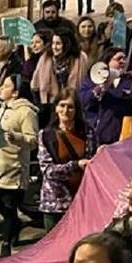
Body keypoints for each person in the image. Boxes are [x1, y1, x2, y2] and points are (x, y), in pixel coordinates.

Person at [0, 75, 38, 258]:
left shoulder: (26, 112)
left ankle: (6, 245)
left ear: (16, 92)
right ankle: (14, 226)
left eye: (5, 86)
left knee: (9, 206)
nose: (1, 89)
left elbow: (33, 141)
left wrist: (16, 137)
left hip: (14, 168)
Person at [38, 88, 95, 231]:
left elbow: (93, 160)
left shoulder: (87, 132)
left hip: (82, 201)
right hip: (55, 204)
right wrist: (75, 165)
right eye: (62, 105)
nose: (65, 110)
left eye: (70, 107)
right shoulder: (46, 135)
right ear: (56, 108)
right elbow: (48, 171)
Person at [83, 49, 132, 147]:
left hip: (122, 134)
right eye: (118, 59)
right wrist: (99, 88)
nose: (123, 61)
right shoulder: (93, 79)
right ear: (107, 61)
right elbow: (83, 100)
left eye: (125, 59)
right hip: (97, 133)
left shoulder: (131, 81)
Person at [31, 29, 89, 122]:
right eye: (53, 43)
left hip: (73, 106)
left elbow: (84, 83)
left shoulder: (80, 58)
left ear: (67, 44)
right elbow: (35, 86)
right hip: (49, 107)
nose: (54, 47)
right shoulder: (45, 58)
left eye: (58, 44)